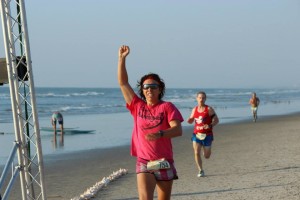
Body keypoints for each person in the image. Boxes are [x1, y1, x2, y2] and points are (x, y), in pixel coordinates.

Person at [118, 45, 183, 200]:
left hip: (164, 161)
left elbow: (178, 130)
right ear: (142, 89)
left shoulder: (167, 107)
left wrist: (161, 133)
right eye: (146, 87)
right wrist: (121, 59)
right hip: (144, 161)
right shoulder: (137, 106)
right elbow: (123, 83)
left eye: (153, 86)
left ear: (159, 89)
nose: (149, 89)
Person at [187, 91, 219, 178]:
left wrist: (210, 125)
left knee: (207, 156)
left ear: (205, 99)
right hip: (196, 134)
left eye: (203, 98)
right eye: (200, 97)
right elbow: (191, 119)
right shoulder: (194, 109)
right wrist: (189, 120)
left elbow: (216, 120)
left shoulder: (209, 109)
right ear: (197, 98)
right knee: (196, 152)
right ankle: (200, 170)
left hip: (207, 135)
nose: (201, 99)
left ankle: (206, 151)